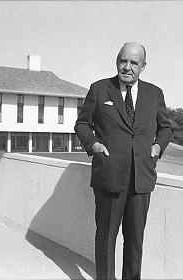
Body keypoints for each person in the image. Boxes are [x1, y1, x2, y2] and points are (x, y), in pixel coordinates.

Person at [74, 42, 173, 280]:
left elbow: (166, 128)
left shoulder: (154, 93)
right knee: (106, 238)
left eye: (134, 63)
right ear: (117, 61)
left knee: (135, 240)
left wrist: (158, 147)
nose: (127, 67)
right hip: (109, 175)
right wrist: (94, 145)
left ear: (143, 66)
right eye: (123, 61)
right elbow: (82, 124)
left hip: (141, 178)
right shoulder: (99, 89)